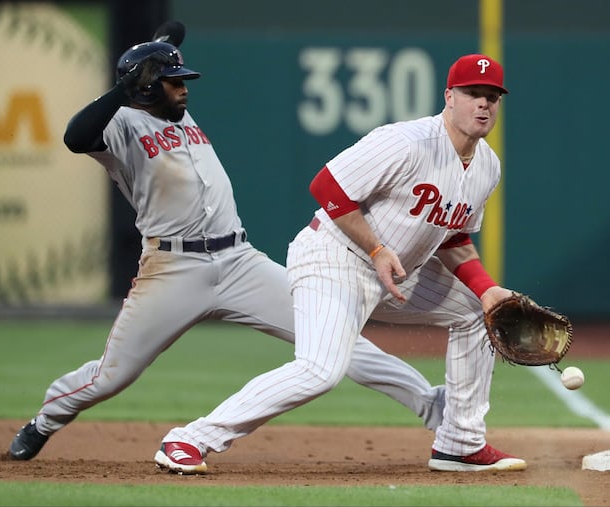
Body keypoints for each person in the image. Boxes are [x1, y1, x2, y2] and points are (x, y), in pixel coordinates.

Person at [8, 40, 446, 464]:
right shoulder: (121, 124)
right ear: (143, 88)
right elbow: (73, 136)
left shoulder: (177, 111)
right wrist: (128, 85)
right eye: (173, 80)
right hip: (174, 268)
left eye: (183, 79)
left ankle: (434, 408)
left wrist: (160, 50)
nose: (184, 87)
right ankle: (44, 421)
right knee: (111, 376)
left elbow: (164, 60)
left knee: (337, 339)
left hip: (239, 262)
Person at [155, 53, 527, 474]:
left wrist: (486, 290)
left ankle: (460, 441)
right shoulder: (406, 142)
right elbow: (327, 185)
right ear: (449, 97)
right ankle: (190, 439)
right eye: (473, 93)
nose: (483, 104)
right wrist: (375, 248)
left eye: (492, 97)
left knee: (481, 315)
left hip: (400, 272)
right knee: (319, 370)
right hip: (336, 259)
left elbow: (454, 236)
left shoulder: (487, 167)